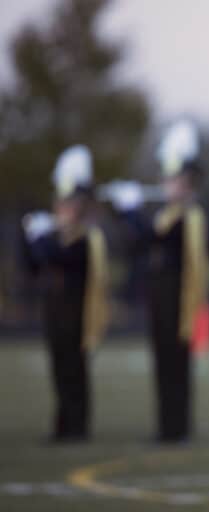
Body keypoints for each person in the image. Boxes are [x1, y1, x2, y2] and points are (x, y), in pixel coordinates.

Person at [105, 120, 208, 443]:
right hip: (160, 296)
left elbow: (153, 240)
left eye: (173, 178)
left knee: (176, 364)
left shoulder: (187, 215)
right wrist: (124, 213)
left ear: (188, 181)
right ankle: (167, 425)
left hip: (178, 298)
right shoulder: (166, 213)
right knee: (163, 361)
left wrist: (132, 212)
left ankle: (177, 427)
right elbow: (138, 245)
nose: (166, 183)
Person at [22, 145, 109, 443]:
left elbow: (60, 258)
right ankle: (63, 423)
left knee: (74, 368)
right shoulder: (56, 235)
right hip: (55, 308)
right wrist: (32, 238)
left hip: (76, 310)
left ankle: (78, 425)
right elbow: (34, 265)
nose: (63, 208)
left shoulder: (86, 237)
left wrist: (40, 237)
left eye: (69, 203)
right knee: (59, 367)